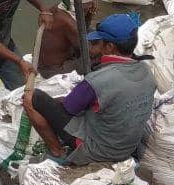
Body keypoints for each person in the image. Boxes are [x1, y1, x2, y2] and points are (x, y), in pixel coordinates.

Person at [22, 13, 156, 165]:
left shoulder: (98, 80)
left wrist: (53, 103)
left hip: (96, 150)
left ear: (109, 46)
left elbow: (68, 108)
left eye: (97, 43)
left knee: (32, 98)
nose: (94, 48)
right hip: (126, 148)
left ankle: (57, 152)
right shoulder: (147, 72)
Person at [38, 0, 96, 78]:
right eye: (86, 9)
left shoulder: (57, 7)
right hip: (54, 70)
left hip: (43, 63)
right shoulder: (68, 22)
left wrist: (89, 13)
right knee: (98, 56)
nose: (89, 10)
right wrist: (103, 46)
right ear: (79, 7)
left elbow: (84, 28)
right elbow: (90, 52)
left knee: (92, 35)